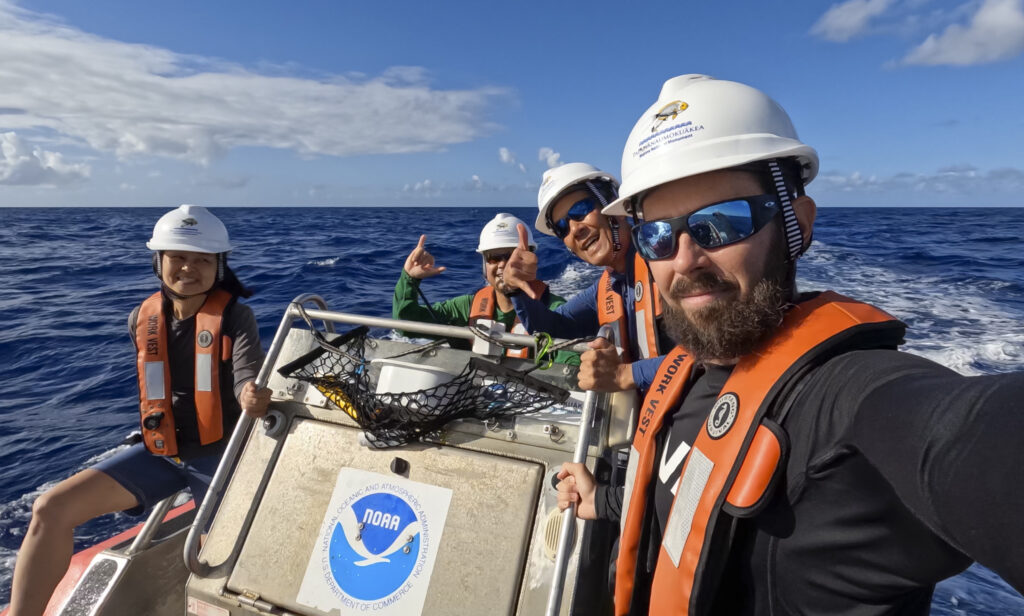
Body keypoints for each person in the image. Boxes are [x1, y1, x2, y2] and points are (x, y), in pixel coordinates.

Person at [556, 74, 1024, 615]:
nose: (684, 260)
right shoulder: (691, 374)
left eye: (721, 223)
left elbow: (969, 438)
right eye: (658, 234)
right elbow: (684, 495)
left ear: (796, 225)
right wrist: (604, 500)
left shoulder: (852, 400)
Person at [8, 204, 271, 616]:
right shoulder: (141, 319)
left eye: (202, 259)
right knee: (49, 509)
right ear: (159, 261)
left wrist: (250, 395)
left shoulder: (237, 317)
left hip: (220, 461)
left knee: (219, 557)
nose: (189, 267)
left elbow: (246, 373)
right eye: (178, 257)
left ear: (218, 266)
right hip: (162, 453)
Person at [502, 163, 672, 392]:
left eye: (580, 210)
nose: (574, 229)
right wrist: (516, 289)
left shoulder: (670, 262)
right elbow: (551, 329)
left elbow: (720, 356)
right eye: (562, 227)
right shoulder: (607, 288)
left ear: (611, 201)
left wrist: (626, 375)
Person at [392, 212, 578, 364]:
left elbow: (572, 362)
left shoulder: (555, 310)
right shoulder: (465, 307)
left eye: (513, 256)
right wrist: (409, 279)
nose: (504, 265)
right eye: (494, 258)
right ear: (484, 265)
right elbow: (405, 324)